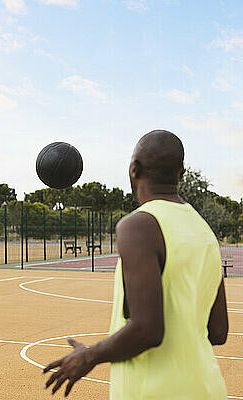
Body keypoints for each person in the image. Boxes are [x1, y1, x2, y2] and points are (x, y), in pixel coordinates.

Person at [43, 130, 229, 399]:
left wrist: (87, 356)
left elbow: (147, 330)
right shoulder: (204, 232)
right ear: (182, 172)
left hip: (157, 392)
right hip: (207, 387)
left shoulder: (138, 225)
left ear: (134, 170)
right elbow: (218, 331)